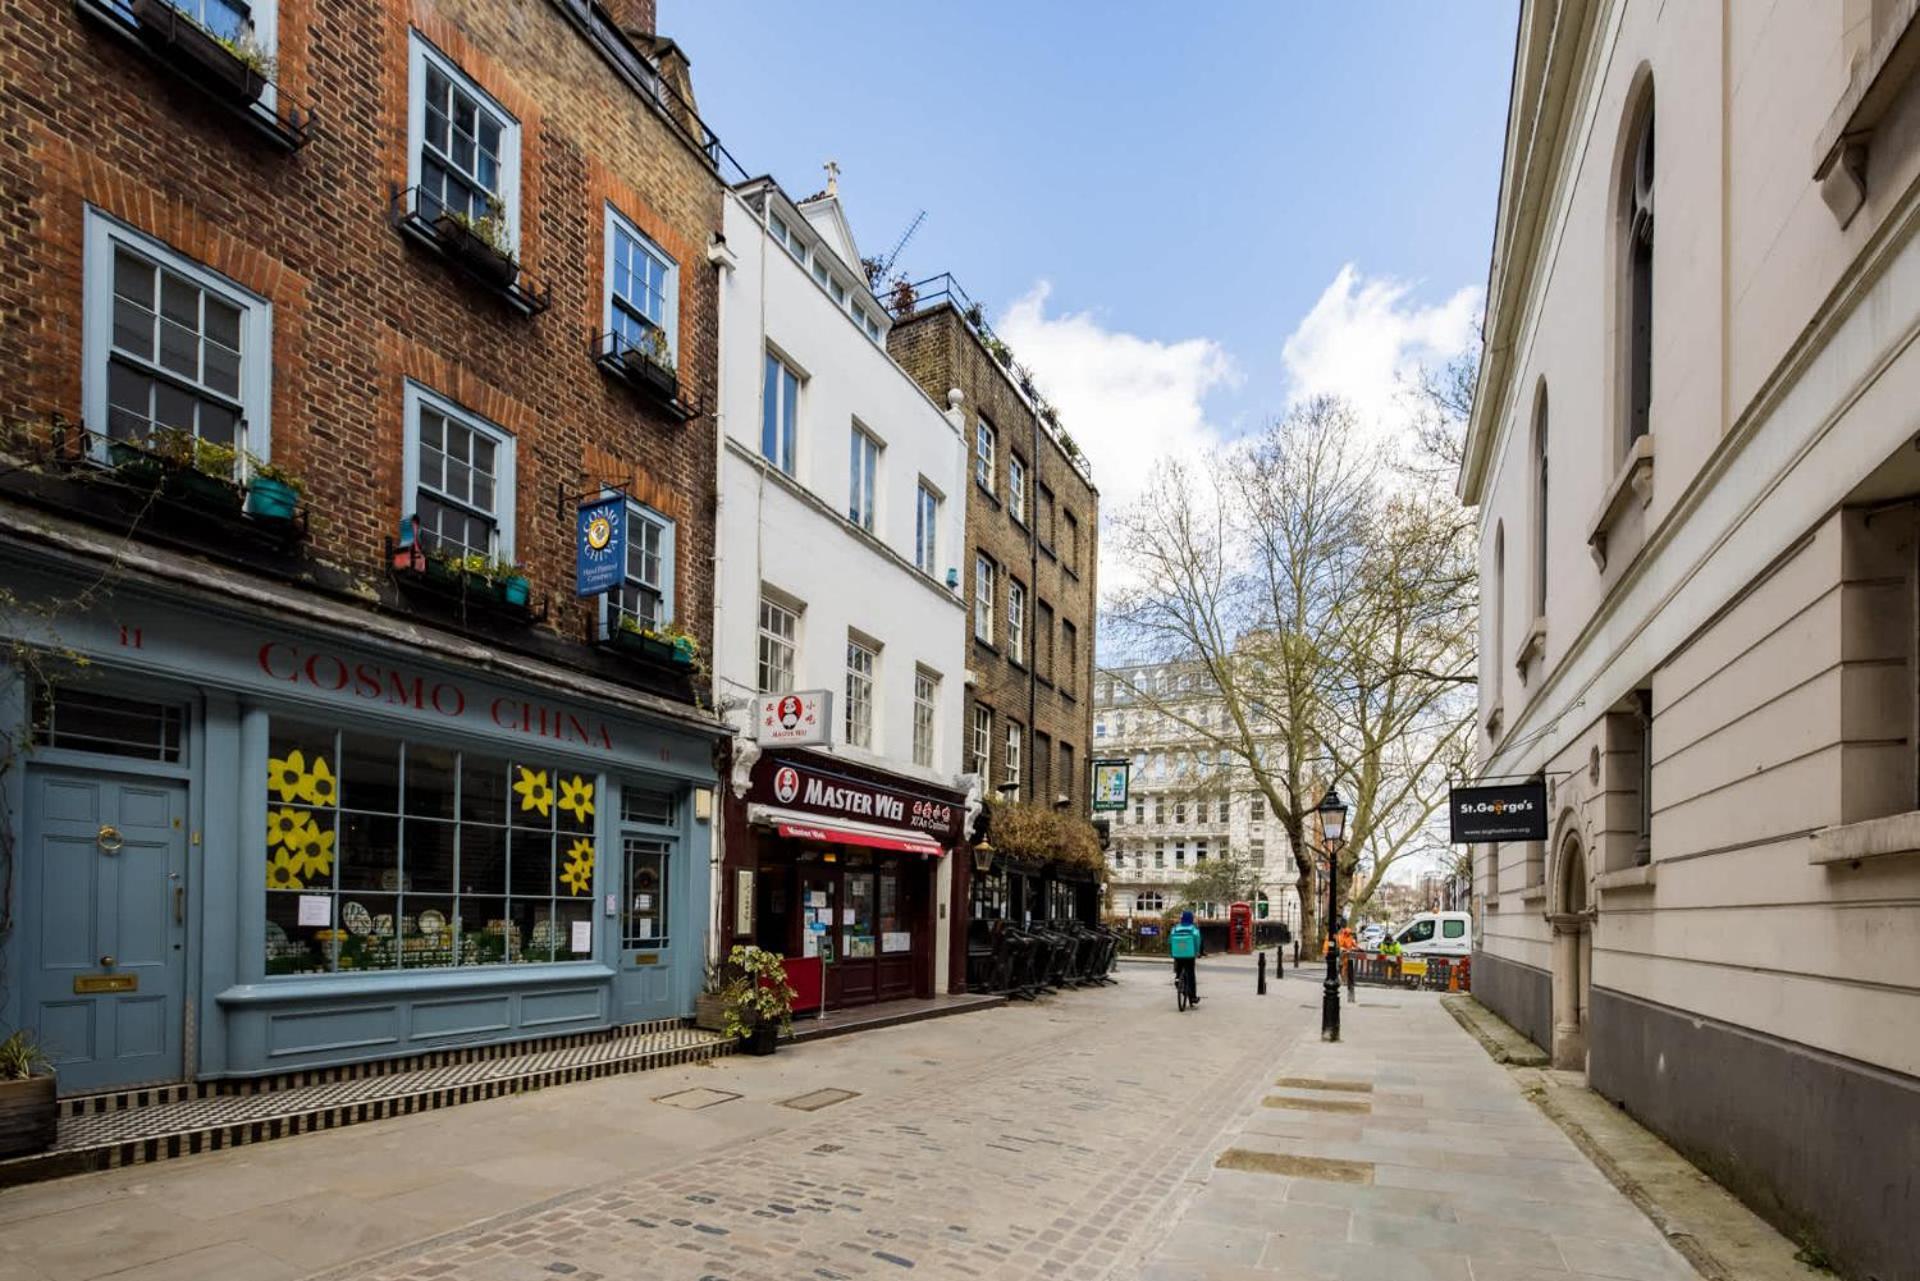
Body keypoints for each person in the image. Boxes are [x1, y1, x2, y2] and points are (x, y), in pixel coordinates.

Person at [1169, 910, 1203, 1006]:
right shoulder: (1194, 929)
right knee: (1191, 974)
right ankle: (1193, 997)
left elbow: (1170, 941)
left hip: (1177, 955)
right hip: (1189, 955)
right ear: (1191, 919)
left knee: (1178, 970)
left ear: (1182, 918)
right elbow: (1197, 942)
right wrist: (1197, 953)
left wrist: (1171, 953)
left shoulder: (1175, 928)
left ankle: (1178, 981)